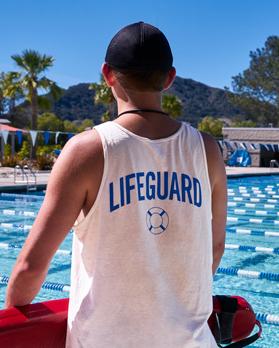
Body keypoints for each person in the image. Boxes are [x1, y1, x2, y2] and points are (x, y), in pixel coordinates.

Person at [5, 22, 227, 347]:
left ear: (107, 74)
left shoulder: (87, 151)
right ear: (169, 78)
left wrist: (12, 325)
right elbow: (215, 248)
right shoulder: (207, 151)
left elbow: (31, 266)